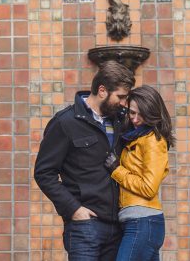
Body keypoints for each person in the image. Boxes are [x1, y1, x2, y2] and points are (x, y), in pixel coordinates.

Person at [34, 60, 135, 261]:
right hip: (85, 227)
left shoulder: (122, 121)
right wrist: (74, 209)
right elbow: (44, 173)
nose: (124, 103)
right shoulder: (65, 122)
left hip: (119, 226)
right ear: (103, 90)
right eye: (121, 97)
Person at [104, 85, 175, 261]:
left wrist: (117, 170)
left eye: (140, 114)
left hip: (143, 222)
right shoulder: (137, 137)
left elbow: (149, 187)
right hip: (138, 222)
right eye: (132, 113)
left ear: (151, 112)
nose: (135, 119)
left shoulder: (153, 140)